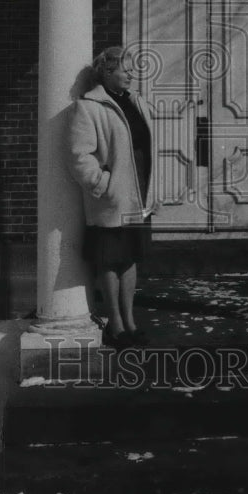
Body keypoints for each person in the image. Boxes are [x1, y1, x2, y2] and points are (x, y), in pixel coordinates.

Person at [67, 46, 154, 348]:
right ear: (106, 71)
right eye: (125, 69)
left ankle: (130, 321)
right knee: (110, 260)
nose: (131, 74)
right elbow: (80, 156)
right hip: (112, 196)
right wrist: (102, 183)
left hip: (138, 194)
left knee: (130, 258)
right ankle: (115, 324)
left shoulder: (135, 102)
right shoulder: (88, 106)